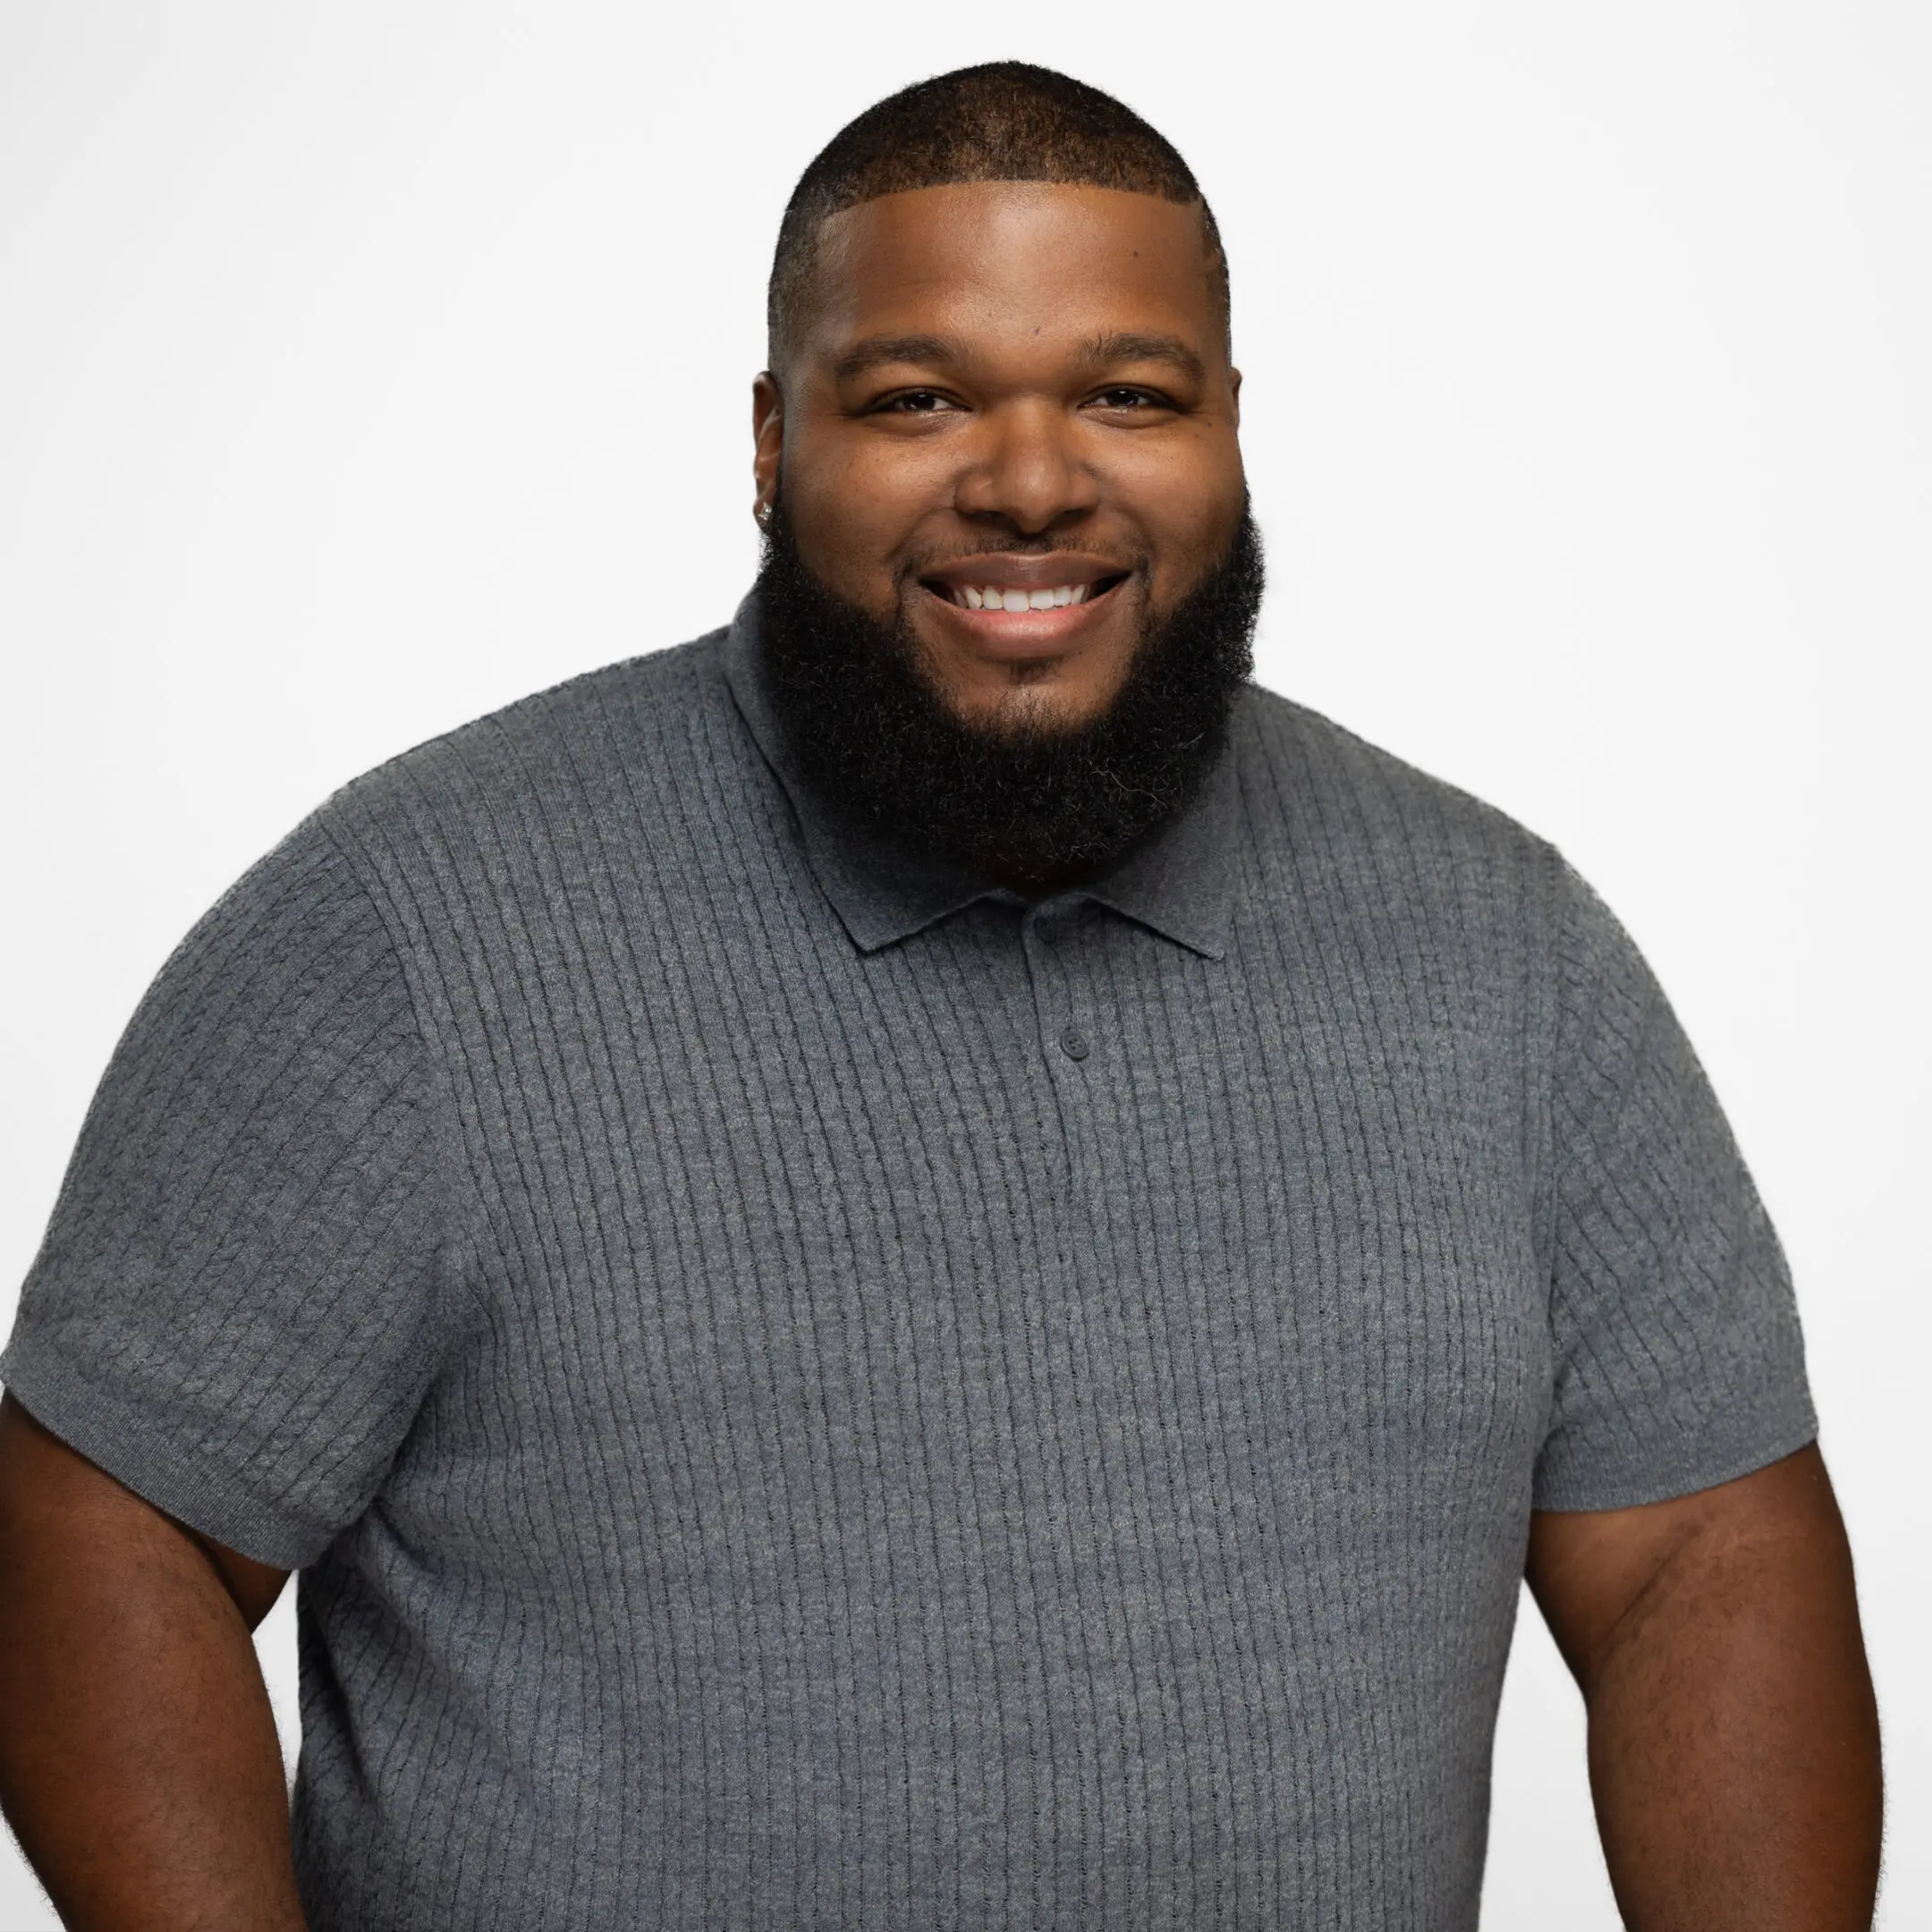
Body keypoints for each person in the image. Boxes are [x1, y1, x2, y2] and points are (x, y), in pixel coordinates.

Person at [0, 60, 1882, 1932]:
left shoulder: (1507, 954)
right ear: (771, 442)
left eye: (1129, 396)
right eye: (918, 398)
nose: (1033, 482)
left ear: (1231, 428)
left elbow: (1697, 1549)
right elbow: (95, 1523)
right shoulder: (411, 924)